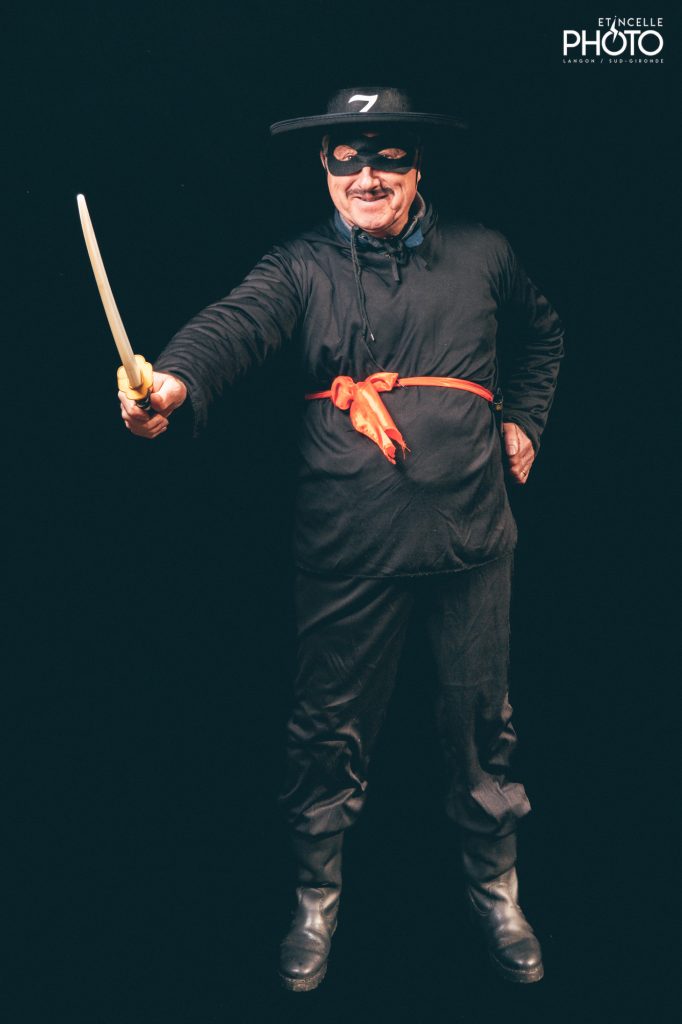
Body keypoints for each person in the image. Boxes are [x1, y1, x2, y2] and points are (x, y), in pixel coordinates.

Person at [119, 86, 564, 991]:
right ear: (323, 168)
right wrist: (170, 383)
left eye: (387, 156)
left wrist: (524, 417)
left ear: (417, 166)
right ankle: (316, 899)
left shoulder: (484, 252)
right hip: (347, 542)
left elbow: (542, 332)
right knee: (328, 729)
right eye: (345, 158)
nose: (367, 176)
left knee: (482, 726)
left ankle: (497, 892)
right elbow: (233, 326)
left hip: (473, 537)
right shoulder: (299, 267)